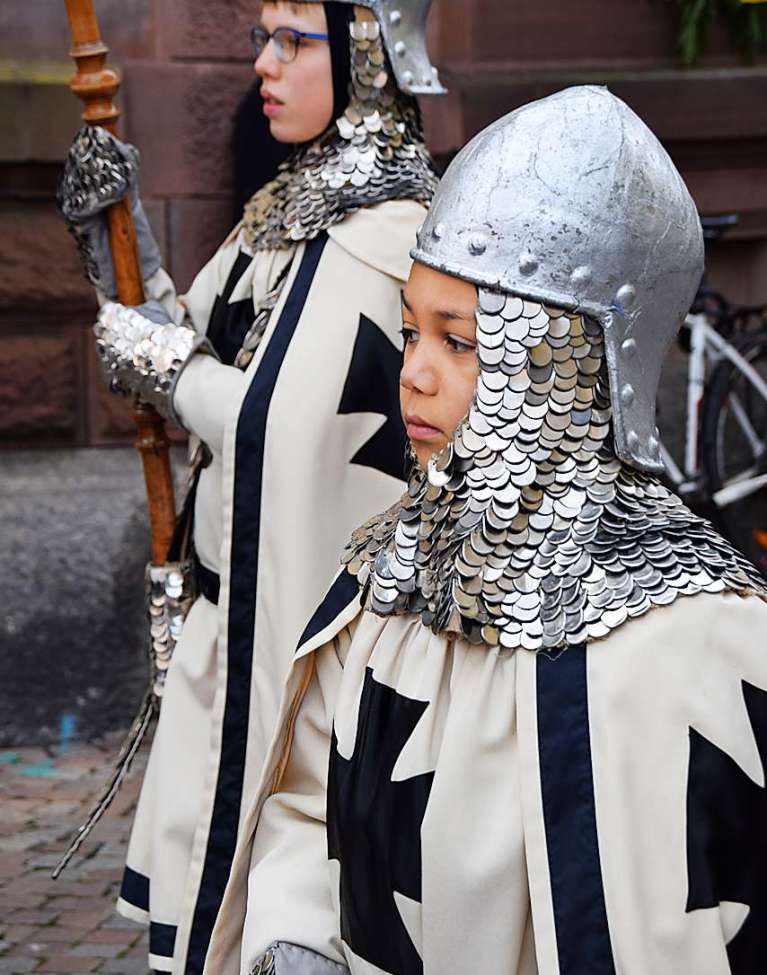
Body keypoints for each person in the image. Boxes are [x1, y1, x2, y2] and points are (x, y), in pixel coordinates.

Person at [203, 86, 767, 975]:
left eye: (459, 342)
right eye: (409, 331)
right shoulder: (387, 584)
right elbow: (310, 805)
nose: (412, 374)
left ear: (567, 366)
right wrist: (295, 934)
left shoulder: (699, 633)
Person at [56, 0, 444, 972]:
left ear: (363, 53)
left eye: (292, 40)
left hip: (300, 644)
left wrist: (166, 369)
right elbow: (196, 336)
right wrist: (118, 241)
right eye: (260, 38)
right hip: (230, 618)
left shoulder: (386, 235)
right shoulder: (290, 206)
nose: (262, 65)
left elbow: (279, 423)